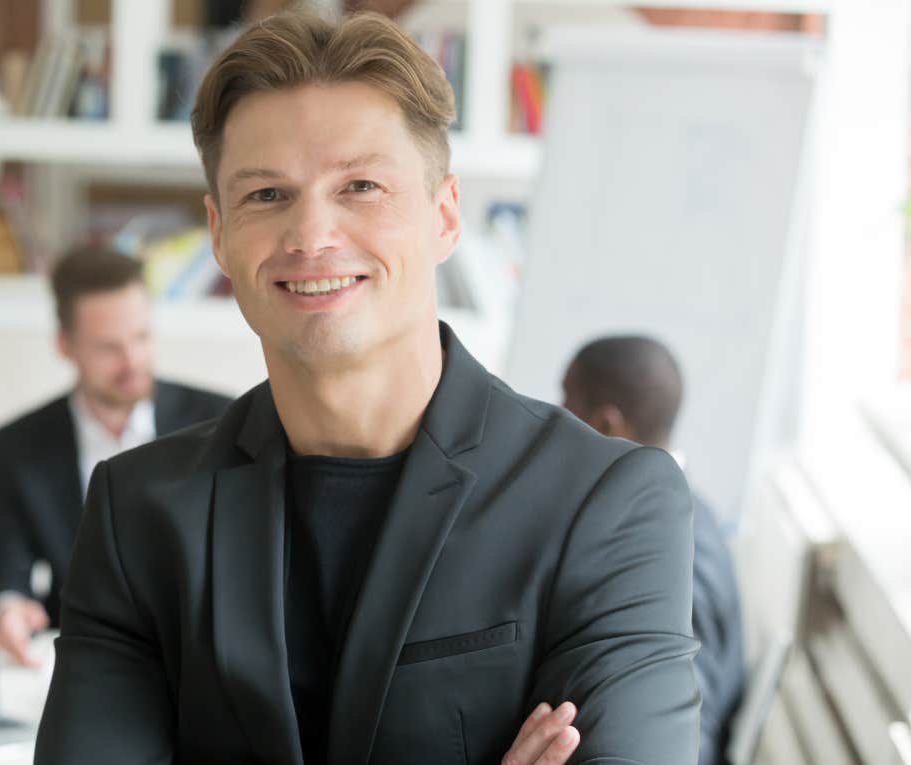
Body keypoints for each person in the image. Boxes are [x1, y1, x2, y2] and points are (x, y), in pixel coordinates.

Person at [35, 12, 699, 765]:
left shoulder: (608, 504)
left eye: (360, 186)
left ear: (444, 215)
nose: (311, 234)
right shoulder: (136, 514)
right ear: (218, 235)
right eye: (266, 195)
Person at [0, 245, 231, 666]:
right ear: (65, 346)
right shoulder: (21, 444)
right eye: (108, 347)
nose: (132, 360)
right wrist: (8, 607)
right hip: (83, 653)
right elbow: (9, 559)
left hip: (202, 652)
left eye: (141, 337)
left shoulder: (222, 421)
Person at [562, 335, 745, 765]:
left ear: (607, 426)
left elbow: (687, 738)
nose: (554, 422)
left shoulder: (675, 559)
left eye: (565, 402)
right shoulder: (688, 510)